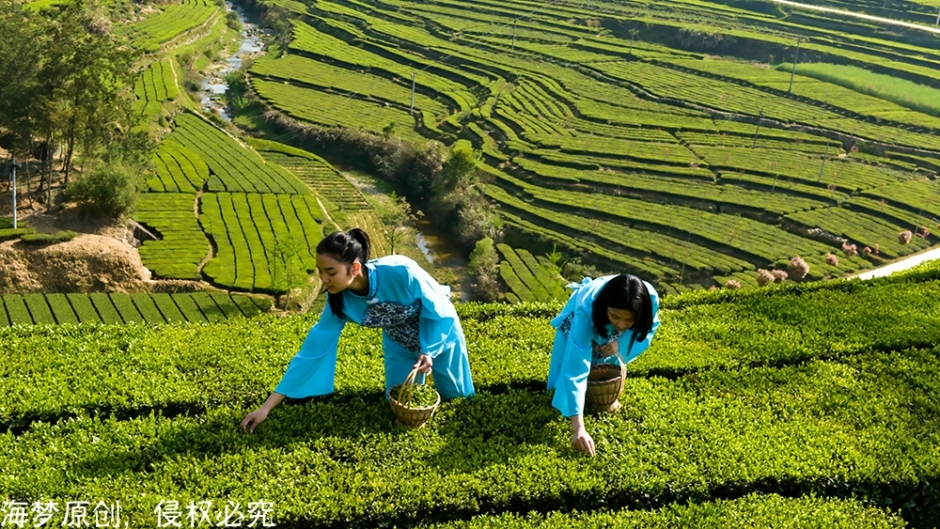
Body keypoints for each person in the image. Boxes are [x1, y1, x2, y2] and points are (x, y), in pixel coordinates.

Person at [240, 228, 475, 432]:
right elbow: (311, 353)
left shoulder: (402, 271)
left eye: (330, 272)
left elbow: (439, 307)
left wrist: (429, 349)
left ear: (354, 267)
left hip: (441, 335)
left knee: (457, 395)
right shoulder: (339, 302)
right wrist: (266, 408)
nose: (324, 279)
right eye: (320, 271)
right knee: (401, 408)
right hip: (400, 345)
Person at [546, 274, 660, 456]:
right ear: (606, 307)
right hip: (585, 314)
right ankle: (575, 403)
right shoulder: (585, 312)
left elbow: (648, 328)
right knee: (575, 358)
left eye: (629, 320)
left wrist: (620, 344)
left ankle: (604, 399)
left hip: (609, 313)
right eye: (615, 317)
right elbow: (576, 367)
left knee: (609, 352)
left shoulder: (650, 299)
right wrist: (578, 429)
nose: (622, 325)